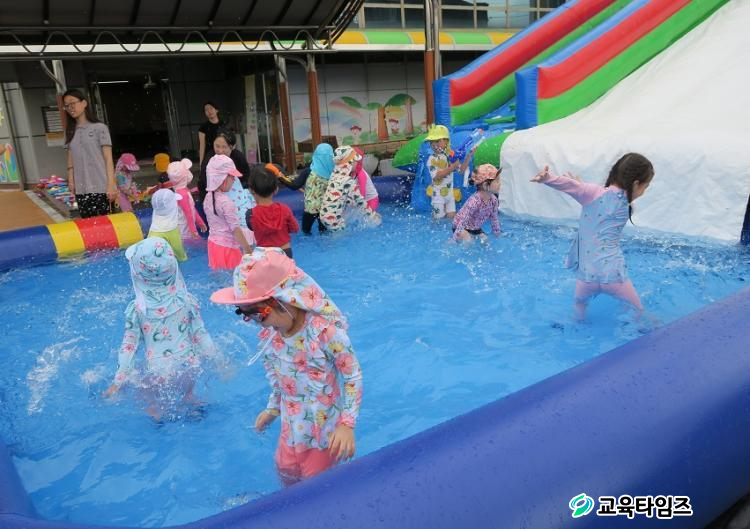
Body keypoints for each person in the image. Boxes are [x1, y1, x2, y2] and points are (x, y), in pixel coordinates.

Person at [210, 247, 363, 486]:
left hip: (322, 436)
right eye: (244, 313)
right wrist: (273, 409)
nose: (255, 322)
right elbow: (281, 379)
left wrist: (346, 424)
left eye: (258, 313)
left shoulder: (324, 333)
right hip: (291, 432)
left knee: (316, 489)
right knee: (285, 474)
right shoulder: (272, 336)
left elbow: (352, 375)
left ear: (286, 299)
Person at [103, 237, 219, 420]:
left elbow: (129, 348)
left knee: (142, 393)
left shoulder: (138, 310)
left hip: (158, 374)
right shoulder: (186, 300)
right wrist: (218, 360)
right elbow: (201, 335)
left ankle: (155, 411)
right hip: (189, 369)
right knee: (187, 384)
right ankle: (189, 397)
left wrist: (118, 381)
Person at [530, 152, 655, 320]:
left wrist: (548, 178)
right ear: (636, 183)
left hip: (586, 278)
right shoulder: (627, 206)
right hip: (613, 276)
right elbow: (601, 200)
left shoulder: (593, 193)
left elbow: (573, 188)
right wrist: (580, 187)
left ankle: (577, 324)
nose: (643, 192)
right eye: (645, 187)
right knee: (638, 311)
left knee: (579, 306)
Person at [62, 88, 117, 218]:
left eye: (72, 103)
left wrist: (111, 185)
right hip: (81, 189)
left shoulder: (100, 128)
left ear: (84, 103)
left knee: (106, 224)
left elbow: (108, 159)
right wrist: (71, 180)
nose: (70, 108)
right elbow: (70, 157)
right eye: (67, 105)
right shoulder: (70, 131)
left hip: (101, 187)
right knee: (87, 225)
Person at [204, 155, 255, 270]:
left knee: (219, 275)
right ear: (222, 178)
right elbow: (236, 230)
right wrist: (248, 251)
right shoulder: (226, 202)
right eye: (232, 176)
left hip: (213, 245)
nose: (234, 180)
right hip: (229, 248)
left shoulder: (208, 197)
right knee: (236, 277)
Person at [319, 146, 381, 232]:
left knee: (336, 232)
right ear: (349, 163)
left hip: (323, 215)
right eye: (355, 161)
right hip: (334, 218)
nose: (357, 163)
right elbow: (360, 201)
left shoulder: (334, 176)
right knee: (341, 235)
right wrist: (372, 216)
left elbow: (341, 197)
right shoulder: (348, 181)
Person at [246, 165, 299, 258]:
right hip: (285, 252)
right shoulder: (285, 209)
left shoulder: (250, 215)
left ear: (251, 190)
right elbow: (295, 229)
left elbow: (252, 228)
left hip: (265, 255)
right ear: (276, 189)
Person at [211, 129, 255, 223]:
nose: (220, 151)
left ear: (233, 146)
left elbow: (246, 177)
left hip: (238, 190)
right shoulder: (210, 159)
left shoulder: (238, 157)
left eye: (224, 147)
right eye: (217, 146)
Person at [452, 163, 502, 243]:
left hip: (475, 227)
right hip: (460, 226)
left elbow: (494, 219)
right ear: (485, 185)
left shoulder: (494, 201)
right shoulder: (474, 201)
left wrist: (498, 235)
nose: (500, 183)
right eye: (497, 181)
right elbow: (463, 220)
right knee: (468, 240)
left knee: (485, 241)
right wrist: (454, 239)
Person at [167, 158, 207, 241]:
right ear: (184, 177)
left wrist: (200, 222)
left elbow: (192, 209)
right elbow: (188, 213)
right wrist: (193, 230)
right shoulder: (183, 195)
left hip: (184, 228)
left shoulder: (182, 192)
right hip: (185, 231)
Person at [302, 143, 335, 234]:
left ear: (316, 154)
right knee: (324, 233)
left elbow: (294, 185)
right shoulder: (334, 173)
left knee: (306, 232)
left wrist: (281, 177)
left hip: (310, 209)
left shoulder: (308, 171)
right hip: (326, 209)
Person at [148, 189, 188, 261]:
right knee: (181, 257)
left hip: (154, 231)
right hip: (172, 231)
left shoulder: (156, 207)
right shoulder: (172, 207)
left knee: (153, 256)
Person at [197, 102, 225, 200]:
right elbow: (202, 145)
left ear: (216, 110)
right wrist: (201, 162)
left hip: (223, 154)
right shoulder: (203, 128)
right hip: (210, 155)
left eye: (211, 108)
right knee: (208, 178)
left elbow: (228, 141)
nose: (209, 111)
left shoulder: (223, 124)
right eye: (206, 110)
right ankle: (209, 198)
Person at [352, 147, 379, 211]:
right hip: (362, 198)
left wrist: (357, 204)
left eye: (352, 161)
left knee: (369, 215)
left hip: (371, 199)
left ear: (358, 161)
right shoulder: (351, 171)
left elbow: (362, 191)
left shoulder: (361, 174)